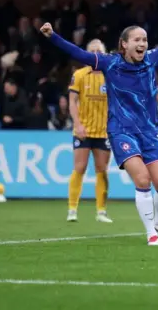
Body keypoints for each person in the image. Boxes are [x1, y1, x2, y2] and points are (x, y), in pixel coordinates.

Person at [40, 9, 158, 245]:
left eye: (144, 40)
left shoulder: (152, 59)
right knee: (143, 180)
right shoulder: (109, 63)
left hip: (148, 131)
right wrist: (53, 36)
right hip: (121, 131)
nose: (142, 44)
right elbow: (78, 53)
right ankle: (150, 233)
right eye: (137, 39)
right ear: (123, 44)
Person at [67, 39, 113, 223]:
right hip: (83, 130)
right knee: (80, 168)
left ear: (104, 53)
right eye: (92, 51)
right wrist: (77, 124)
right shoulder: (79, 75)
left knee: (102, 170)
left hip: (103, 132)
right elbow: (72, 102)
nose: (96, 54)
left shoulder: (110, 76)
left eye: (99, 51)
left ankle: (101, 211)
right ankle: (72, 209)